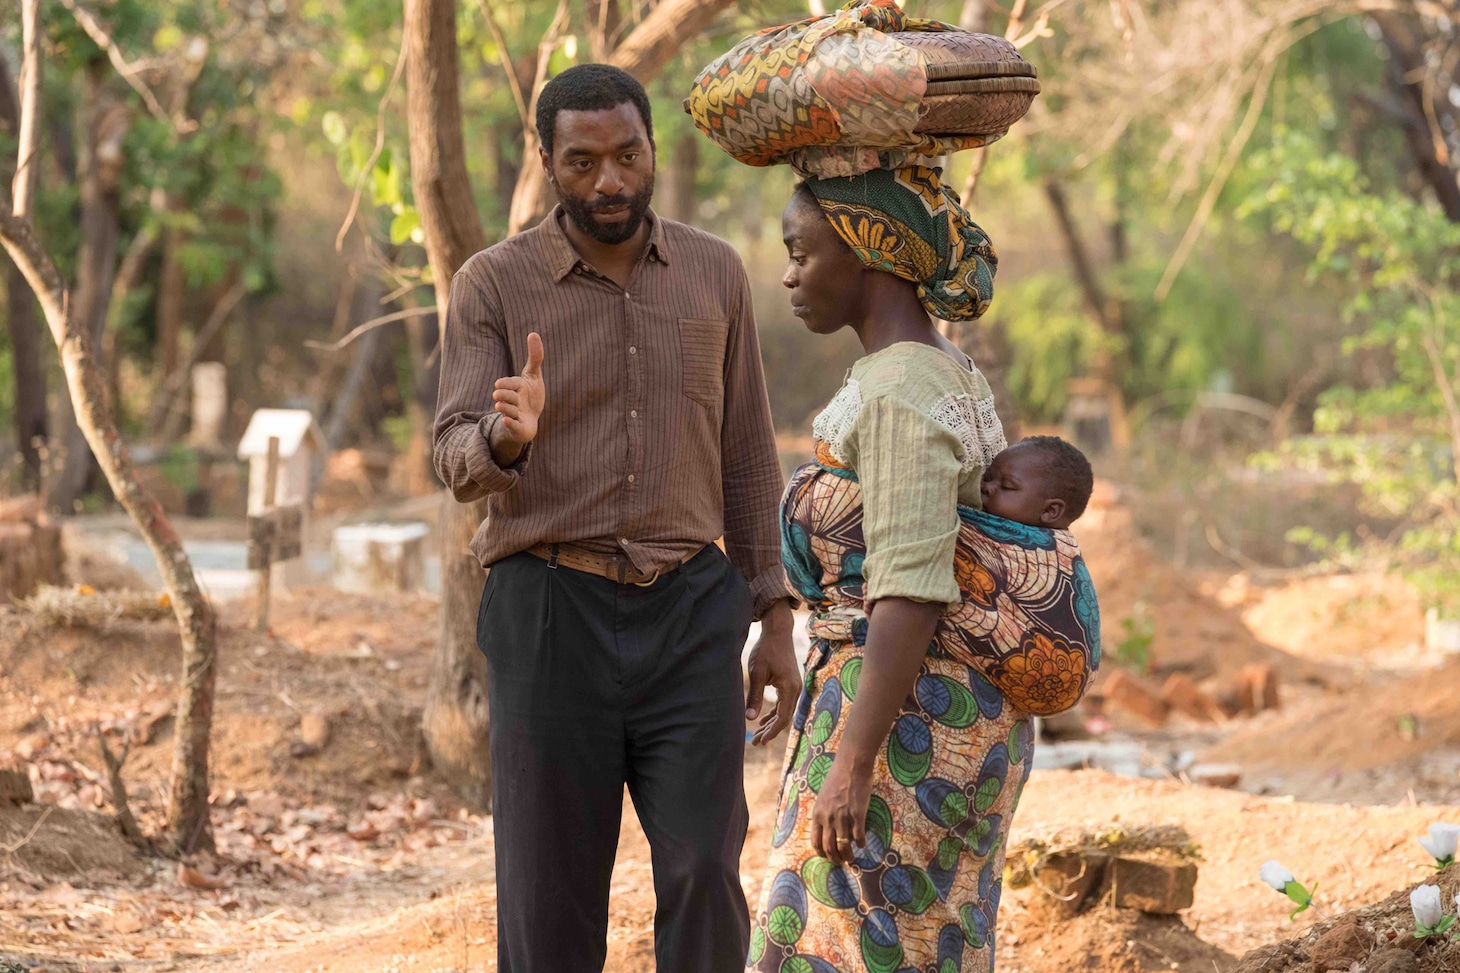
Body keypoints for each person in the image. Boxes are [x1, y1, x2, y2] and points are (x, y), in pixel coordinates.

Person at [432, 63, 802, 973]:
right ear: (549, 163)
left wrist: (776, 617)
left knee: (707, 871)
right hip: (549, 609)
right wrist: (505, 439)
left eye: (627, 155)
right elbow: (449, 455)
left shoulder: (713, 271)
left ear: (651, 151)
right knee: (547, 896)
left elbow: (749, 452)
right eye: (584, 161)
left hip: (688, 609)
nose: (610, 180)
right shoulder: (493, 285)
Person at [748, 168, 1100, 972]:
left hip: (909, 726)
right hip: (945, 718)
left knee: (859, 943)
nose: (790, 274)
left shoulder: (903, 386)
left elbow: (910, 584)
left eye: (802, 251)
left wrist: (854, 762)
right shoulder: (946, 371)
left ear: (869, 249)